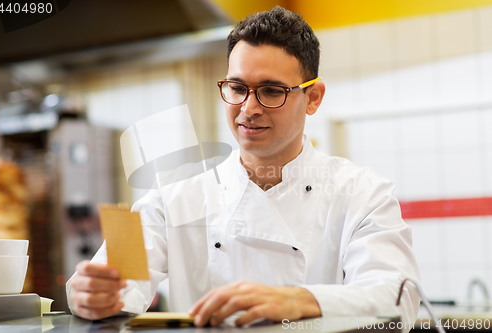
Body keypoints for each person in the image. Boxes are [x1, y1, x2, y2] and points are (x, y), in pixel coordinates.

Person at [66, 6, 420, 329]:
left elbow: (398, 298)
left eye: (270, 91)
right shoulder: (171, 198)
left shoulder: (363, 193)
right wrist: (90, 296)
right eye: (237, 87)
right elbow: (114, 285)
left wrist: (298, 299)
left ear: (312, 98)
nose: (248, 108)